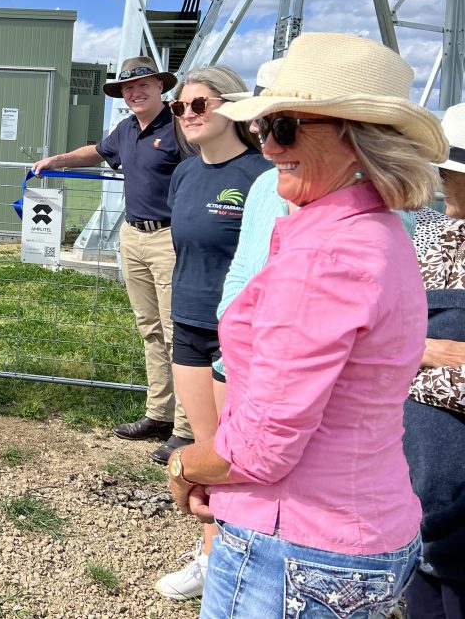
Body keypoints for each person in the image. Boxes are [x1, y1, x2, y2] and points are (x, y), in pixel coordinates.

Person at [167, 33, 441, 618]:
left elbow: (263, 448)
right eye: (263, 129)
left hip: (294, 541)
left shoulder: (326, 255)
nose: (266, 148)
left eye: (283, 128)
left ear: (353, 137)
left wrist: (185, 465)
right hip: (355, 526)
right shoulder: (376, 233)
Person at [33, 55, 192, 462]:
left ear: (161, 87)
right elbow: (97, 152)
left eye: (143, 85)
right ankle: (159, 414)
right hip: (134, 235)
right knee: (151, 329)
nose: (135, 93)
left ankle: (189, 428)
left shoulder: (179, 126)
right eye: (127, 88)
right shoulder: (125, 130)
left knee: (180, 333)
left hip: (172, 238)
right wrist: (56, 160)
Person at [154, 66, 269, 601]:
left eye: (198, 104)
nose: (187, 115)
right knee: (205, 448)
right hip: (190, 324)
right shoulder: (186, 174)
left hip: (238, 333)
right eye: (180, 107)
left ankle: (235, 560)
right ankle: (211, 555)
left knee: (234, 453)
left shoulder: (260, 175)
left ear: (232, 108)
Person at [403, 101, 465, 618]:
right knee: (422, 583)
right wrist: (417, 351)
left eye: (451, 172)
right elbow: (395, 329)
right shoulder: (435, 234)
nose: (443, 181)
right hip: (420, 447)